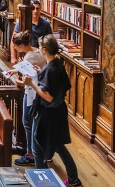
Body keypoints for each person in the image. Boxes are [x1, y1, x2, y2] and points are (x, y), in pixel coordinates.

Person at [22, 35, 82, 187]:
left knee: (37, 147)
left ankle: (42, 182)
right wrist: (40, 71)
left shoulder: (50, 69)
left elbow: (48, 96)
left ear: (43, 49)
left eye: (40, 46)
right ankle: (73, 179)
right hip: (58, 111)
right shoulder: (57, 64)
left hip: (47, 114)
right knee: (57, 146)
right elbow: (62, 86)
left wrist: (32, 84)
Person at [8, 31, 46, 167]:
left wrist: (15, 80)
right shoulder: (36, 51)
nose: (15, 49)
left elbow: (25, 81)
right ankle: (38, 153)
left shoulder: (29, 58)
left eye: (16, 47)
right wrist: (15, 70)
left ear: (22, 45)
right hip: (38, 92)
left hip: (32, 94)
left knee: (27, 123)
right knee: (32, 123)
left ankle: (31, 154)